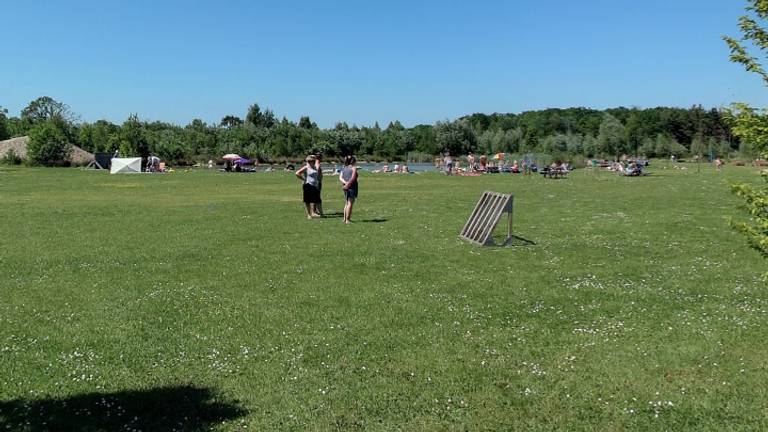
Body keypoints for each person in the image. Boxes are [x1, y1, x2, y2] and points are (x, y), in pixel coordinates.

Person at [339, 155, 358, 224]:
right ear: (353, 161)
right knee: (350, 203)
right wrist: (348, 184)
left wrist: (345, 183)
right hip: (351, 187)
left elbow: (340, 178)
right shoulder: (354, 168)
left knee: (347, 203)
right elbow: (353, 177)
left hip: (345, 187)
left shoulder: (343, 168)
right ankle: (348, 220)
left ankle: (344, 219)